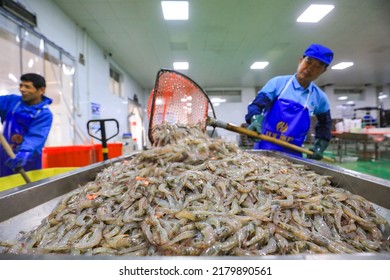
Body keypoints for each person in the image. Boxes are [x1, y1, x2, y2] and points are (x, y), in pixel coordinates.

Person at [245, 43, 333, 160]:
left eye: (317, 66)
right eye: (308, 62)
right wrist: (255, 120)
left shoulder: (320, 98)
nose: (310, 68)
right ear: (301, 60)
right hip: (264, 151)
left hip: (294, 155)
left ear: (323, 71)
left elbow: (325, 126)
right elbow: (256, 105)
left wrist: (320, 146)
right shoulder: (277, 84)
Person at [0, 73, 53, 177]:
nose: (22, 89)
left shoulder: (44, 114)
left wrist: (24, 154)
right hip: (4, 156)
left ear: (41, 90)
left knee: (28, 190)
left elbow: (36, 137)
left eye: (27, 87)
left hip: (28, 161)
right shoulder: (12, 101)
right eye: (21, 86)